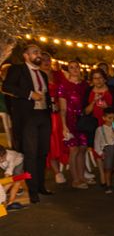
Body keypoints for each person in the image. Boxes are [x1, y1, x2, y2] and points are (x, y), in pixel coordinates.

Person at [1, 44, 53, 202]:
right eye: (35, 52)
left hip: (43, 115)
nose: (39, 55)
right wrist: (30, 94)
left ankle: (41, 186)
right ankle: (32, 190)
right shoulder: (18, 69)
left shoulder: (42, 75)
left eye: (39, 52)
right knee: (30, 154)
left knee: (42, 152)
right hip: (27, 117)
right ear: (26, 55)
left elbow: (45, 94)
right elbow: (6, 87)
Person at [58, 60, 90, 189]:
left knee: (83, 149)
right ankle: (75, 179)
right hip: (70, 120)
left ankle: (82, 177)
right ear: (68, 70)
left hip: (83, 120)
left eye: (77, 67)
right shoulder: (64, 86)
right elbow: (63, 108)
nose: (75, 69)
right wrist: (64, 126)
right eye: (72, 67)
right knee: (74, 150)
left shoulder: (85, 85)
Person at [40, 52, 69, 184]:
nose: (46, 62)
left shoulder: (58, 74)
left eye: (48, 59)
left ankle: (66, 165)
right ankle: (57, 172)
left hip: (60, 112)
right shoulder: (37, 75)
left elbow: (66, 90)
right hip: (46, 114)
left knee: (63, 140)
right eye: (43, 60)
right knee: (51, 143)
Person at [93, 107, 114, 193]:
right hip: (107, 150)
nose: (112, 120)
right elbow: (97, 143)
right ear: (104, 118)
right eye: (109, 118)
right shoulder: (100, 130)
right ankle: (108, 185)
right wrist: (100, 153)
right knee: (108, 169)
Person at [0, 145, 25, 210]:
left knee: (17, 180)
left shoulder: (11, 156)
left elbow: (9, 171)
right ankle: (5, 198)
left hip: (18, 163)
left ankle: (10, 202)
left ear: (5, 154)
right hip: (6, 167)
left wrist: (2, 190)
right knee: (9, 182)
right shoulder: (2, 158)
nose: (1, 160)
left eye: (2, 158)